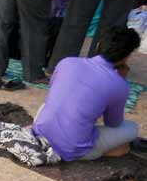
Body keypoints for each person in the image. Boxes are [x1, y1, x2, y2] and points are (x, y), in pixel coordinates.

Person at [33, 26, 141, 161]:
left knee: (49, 106)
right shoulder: (119, 85)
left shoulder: (67, 62)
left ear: (98, 45)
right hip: (71, 149)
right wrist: (120, 80)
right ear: (126, 57)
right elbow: (113, 123)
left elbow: (55, 91)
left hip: (40, 131)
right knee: (132, 128)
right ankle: (99, 152)